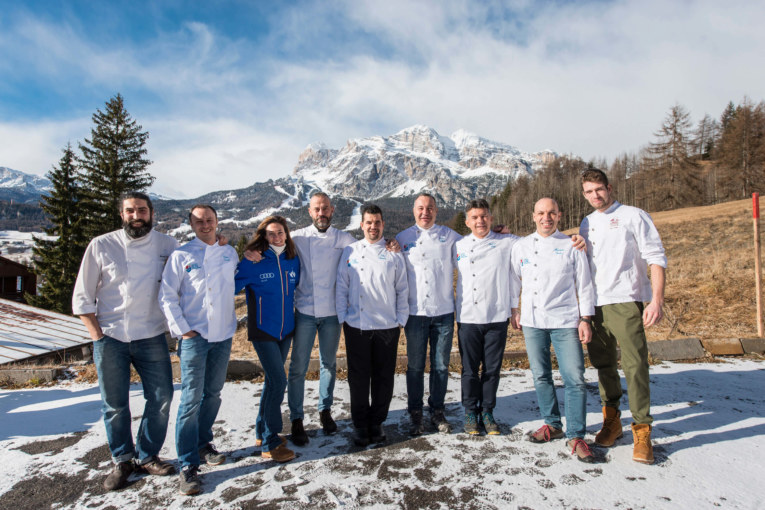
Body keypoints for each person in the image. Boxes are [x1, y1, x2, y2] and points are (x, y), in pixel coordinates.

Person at [72, 191, 178, 491]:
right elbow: (82, 296)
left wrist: (222, 243)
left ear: (152, 213)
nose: (136, 216)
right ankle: (122, 459)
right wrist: (97, 335)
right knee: (115, 404)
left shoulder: (168, 245)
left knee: (161, 398)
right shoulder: (102, 245)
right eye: (130, 211)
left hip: (152, 335)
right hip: (111, 337)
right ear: (122, 214)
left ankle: (147, 456)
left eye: (141, 211)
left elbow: (193, 269)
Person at [579, 168, 667, 464]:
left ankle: (642, 430)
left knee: (635, 365)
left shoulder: (633, 215)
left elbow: (656, 257)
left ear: (609, 187)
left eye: (599, 189)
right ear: (584, 194)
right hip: (595, 305)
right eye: (589, 192)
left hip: (626, 301)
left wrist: (656, 300)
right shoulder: (586, 223)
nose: (595, 195)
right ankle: (612, 422)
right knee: (603, 365)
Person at [158, 204, 238, 495]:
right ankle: (187, 464)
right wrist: (183, 330)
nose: (205, 224)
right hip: (194, 338)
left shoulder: (229, 253)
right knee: (190, 400)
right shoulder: (182, 255)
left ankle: (204, 443)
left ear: (217, 222)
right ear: (191, 224)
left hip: (223, 335)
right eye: (199, 221)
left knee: (213, 393)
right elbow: (167, 296)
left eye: (209, 220)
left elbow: (232, 286)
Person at [510, 198, 595, 463]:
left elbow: (585, 284)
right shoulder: (521, 245)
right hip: (533, 321)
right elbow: (514, 279)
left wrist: (586, 318)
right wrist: (515, 309)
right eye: (541, 213)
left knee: (574, 377)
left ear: (559, 216)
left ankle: (576, 434)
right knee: (541, 375)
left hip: (565, 320)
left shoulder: (571, 245)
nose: (546, 217)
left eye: (551, 213)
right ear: (533, 216)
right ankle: (552, 424)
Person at [336, 204, 409, 447]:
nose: (373, 226)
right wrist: (342, 316)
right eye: (368, 222)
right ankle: (359, 424)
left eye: (377, 222)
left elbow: (402, 288)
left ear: (383, 224)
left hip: (387, 325)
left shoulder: (393, 252)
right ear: (362, 224)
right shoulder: (350, 251)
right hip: (356, 324)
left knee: (383, 377)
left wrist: (400, 319)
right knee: (358, 378)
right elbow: (342, 286)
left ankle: (377, 422)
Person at [286, 193, 355, 445]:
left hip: (332, 313)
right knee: (298, 368)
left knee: (328, 364)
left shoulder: (344, 238)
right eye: (317, 209)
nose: (321, 213)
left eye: (325, 208)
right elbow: (270, 245)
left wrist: (389, 245)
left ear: (332, 210)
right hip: (304, 310)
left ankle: (325, 411)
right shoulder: (298, 237)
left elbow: (367, 250)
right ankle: (296, 418)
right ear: (309, 211)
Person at [235, 216, 300, 463]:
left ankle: (261, 432)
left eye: (280, 233)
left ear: (286, 234)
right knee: (278, 380)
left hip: (286, 330)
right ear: (264, 236)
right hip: (263, 330)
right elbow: (230, 285)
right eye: (271, 234)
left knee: (272, 382)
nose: (276, 238)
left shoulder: (292, 260)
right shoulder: (254, 261)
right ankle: (271, 441)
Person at [396, 193, 462, 435]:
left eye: (430, 208)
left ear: (437, 211)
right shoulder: (402, 239)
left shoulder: (450, 236)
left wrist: (500, 232)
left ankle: (437, 410)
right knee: (414, 366)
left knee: (441, 365)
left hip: (443, 312)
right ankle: (415, 412)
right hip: (414, 314)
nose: (426, 212)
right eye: (421, 208)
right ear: (413, 211)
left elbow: (475, 246)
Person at [454, 199, 520, 436]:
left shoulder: (508, 242)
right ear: (467, 222)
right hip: (468, 317)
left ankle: (488, 411)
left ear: (491, 219)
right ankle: (471, 411)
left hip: (496, 315)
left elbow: (537, 244)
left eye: (484, 216)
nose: (480, 221)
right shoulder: (458, 245)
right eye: (475, 217)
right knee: (469, 369)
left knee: (492, 369)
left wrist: (572, 239)